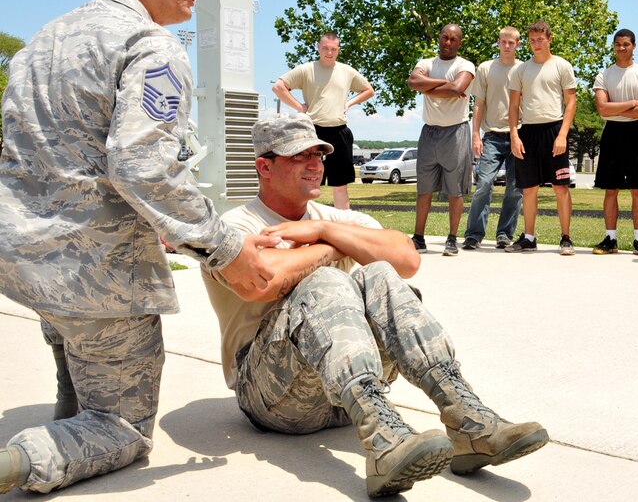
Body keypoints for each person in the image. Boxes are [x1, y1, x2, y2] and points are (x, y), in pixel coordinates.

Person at [0, 0, 277, 495]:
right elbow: (143, 166)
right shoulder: (150, 45)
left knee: (76, 342)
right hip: (97, 272)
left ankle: (71, 411)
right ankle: (30, 458)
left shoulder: (42, 42)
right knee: (120, 425)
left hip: (25, 258)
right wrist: (225, 248)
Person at [201, 112, 549, 498]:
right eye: (299, 155)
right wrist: (334, 249)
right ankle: (383, 442)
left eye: (319, 154)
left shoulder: (330, 217)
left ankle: (469, 423)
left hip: (343, 399)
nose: (315, 164)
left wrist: (323, 231)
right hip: (273, 399)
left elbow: (406, 258)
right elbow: (263, 279)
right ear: (264, 166)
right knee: (327, 278)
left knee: (378, 274)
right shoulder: (235, 227)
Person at [273, 32, 375, 210]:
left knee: (340, 186)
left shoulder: (347, 71)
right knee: (308, 183)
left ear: (338, 50)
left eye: (333, 49)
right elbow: (278, 87)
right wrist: (300, 107)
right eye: (326, 48)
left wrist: (350, 102)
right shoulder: (306, 69)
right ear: (318, 48)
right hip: (313, 132)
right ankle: (306, 225)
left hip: (340, 131)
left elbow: (368, 90)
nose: (329, 52)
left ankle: (342, 229)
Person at [506, 21, 578, 254]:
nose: (536, 44)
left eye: (540, 39)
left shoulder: (562, 66)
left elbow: (571, 103)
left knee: (560, 187)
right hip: (528, 132)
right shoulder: (520, 70)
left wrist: (562, 135)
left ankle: (566, 238)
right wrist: (515, 136)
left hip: (554, 130)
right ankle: (528, 237)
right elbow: (514, 105)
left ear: (549, 38)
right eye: (532, 40)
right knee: (528, 189)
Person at [407, 24, 475, 256]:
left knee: (455, 190)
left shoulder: (465, 65)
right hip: (429, 132)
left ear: (460, 42)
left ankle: (452, 239)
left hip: (456, 132)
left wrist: (428, 87)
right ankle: (418, 238)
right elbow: (412, 82)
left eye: (453, 39)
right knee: (423, 188)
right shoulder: (425, 63)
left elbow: (458, 87)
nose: (447, 42)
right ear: (439, 38)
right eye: (444, 37)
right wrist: (447, 87)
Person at [592, 29, 638, 257]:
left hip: (636, 135)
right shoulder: (604, 75)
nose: (621, 48)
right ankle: (610, 238)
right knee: (611, 189)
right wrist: (631, 103)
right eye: (618, 44)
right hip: (612, 134)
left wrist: (615, 108)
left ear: (634, 46)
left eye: (626, 44)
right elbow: (602, 109)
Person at [463, 27, 523, 250]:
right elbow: (478, 104)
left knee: (515, 189)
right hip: (492, 137)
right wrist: (475, 135)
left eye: (512, 43)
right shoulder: (486, 68)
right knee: (484, 184)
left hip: (518, 136)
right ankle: (474, 234)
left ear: (518, 44)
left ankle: (504, 234)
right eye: (503, 42)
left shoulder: (523, 69)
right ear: (498, 42)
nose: (507, 46)